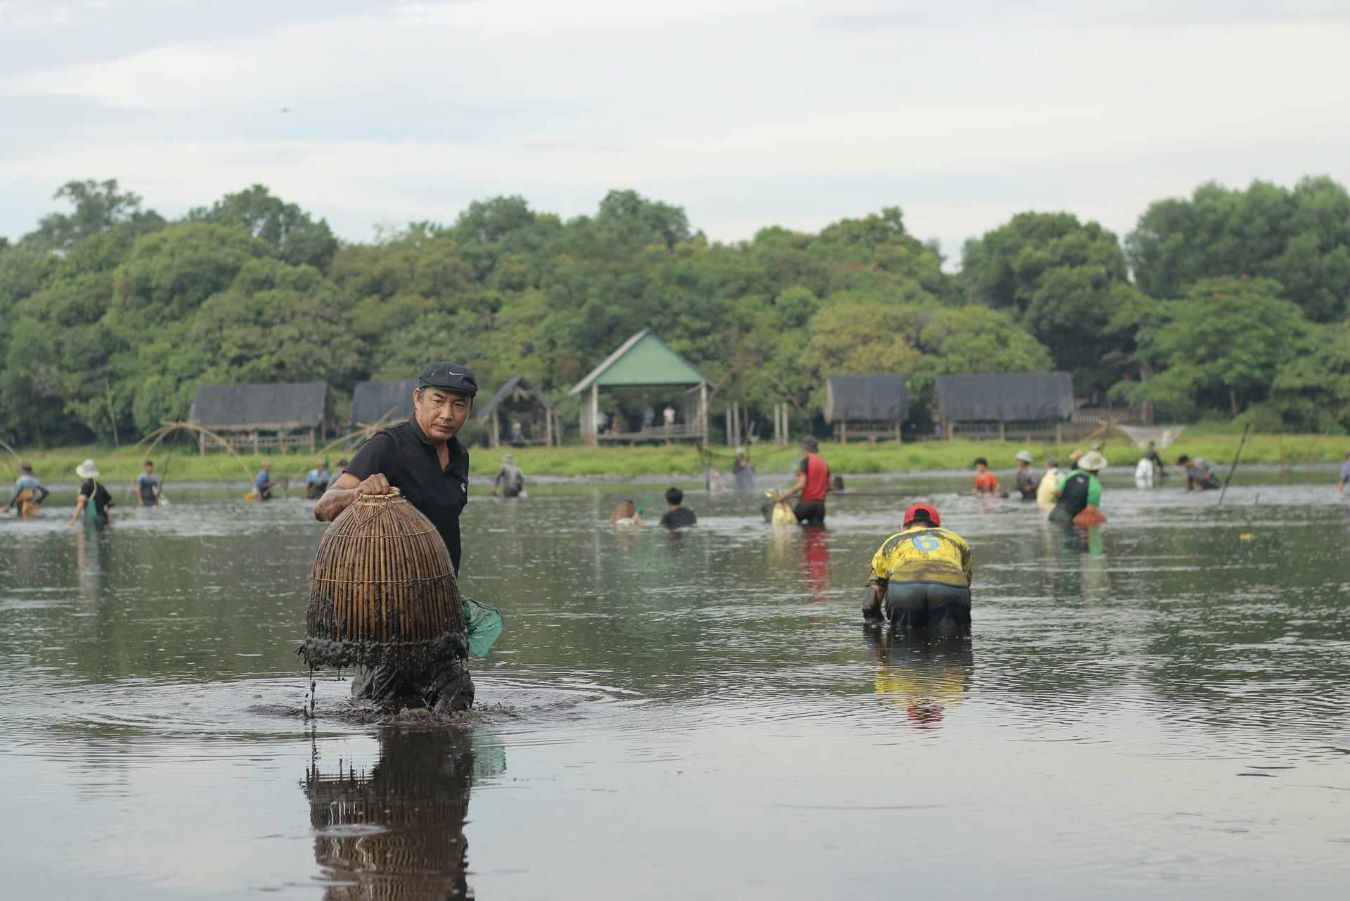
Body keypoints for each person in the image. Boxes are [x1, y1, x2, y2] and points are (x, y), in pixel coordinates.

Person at [314, 362, 479, 713]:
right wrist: (359, 491)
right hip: (390, 615)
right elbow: (324, 506)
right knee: (387, 708)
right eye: (438, 401)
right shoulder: (388, 445)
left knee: (457, 697)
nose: (447, 414)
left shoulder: (459, 455)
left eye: (459, 405)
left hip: (438, 612)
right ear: (417, 399)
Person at [863, 503, 972, 634]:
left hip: (904, 587)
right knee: (954, 645)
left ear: (903, 527)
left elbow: (873, 595)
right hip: (950, 583)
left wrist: (875, 625)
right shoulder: (956, 540)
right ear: (939, 527)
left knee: (905, 641)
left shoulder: (891, 542)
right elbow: (966, 581)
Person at [780, 436, 831, 526]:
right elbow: (829, 487)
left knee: (787, 525)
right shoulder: (824, 463)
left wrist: (784, 496)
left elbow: (801, 485)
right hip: (820, 506)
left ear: (805, 448)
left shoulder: (806, 461)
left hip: (806, 505)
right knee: (816, 535)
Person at [1049, 450, 1106, 526]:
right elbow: (1090, 512)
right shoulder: (1095, 485)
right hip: (1069, 520)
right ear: (1099, 468)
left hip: (1054, 515)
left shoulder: (1071, 474)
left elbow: (1057, 492)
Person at [69, 458, 113, 527]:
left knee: (90, 536)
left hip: (92, 521)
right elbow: (109, 503)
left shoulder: (86, 486)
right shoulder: (100, 486)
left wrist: (74, 519)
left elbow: (80, 503)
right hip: (103, 519)